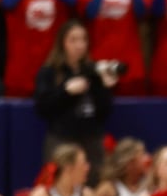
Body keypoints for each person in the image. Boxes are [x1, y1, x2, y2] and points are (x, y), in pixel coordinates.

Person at [33, 20, 117, 170]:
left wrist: (104, 88)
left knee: (94, 184)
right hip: (62, 140)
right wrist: (66, 92)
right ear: (62, 43)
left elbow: (104, 112)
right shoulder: (49, 71)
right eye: (73, 40)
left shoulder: (94, 71)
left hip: (92, 141)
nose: (79, 45)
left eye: (83, 39)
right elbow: (42, 108)